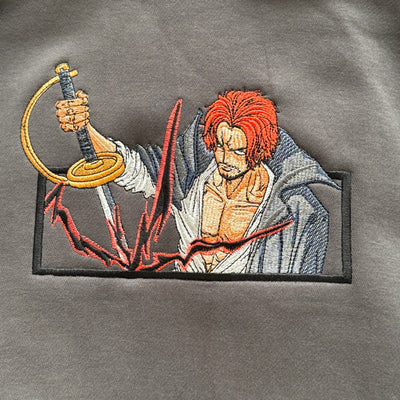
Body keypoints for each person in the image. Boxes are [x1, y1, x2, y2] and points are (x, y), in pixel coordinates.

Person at [56, 90, 338, 274]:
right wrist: (85, 128)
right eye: (220, 146)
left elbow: (303, 296)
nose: (225, 158)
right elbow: (133, 166)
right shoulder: (191, 176)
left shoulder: (299, 214)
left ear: (260, 149)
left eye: (239, 151)